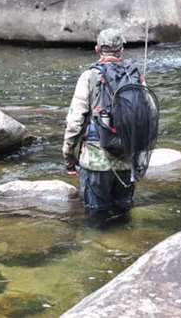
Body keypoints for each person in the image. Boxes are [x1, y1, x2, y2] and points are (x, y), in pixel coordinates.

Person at [63, 28, 142, 218]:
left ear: (97, 49)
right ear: (121, 50)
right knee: (124, 216)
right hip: (126, 161)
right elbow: (146, 117)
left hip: (95, 162)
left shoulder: (89, 76)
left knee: (96, 218)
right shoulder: (135, 76)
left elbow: (75, 121)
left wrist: (69, 157)